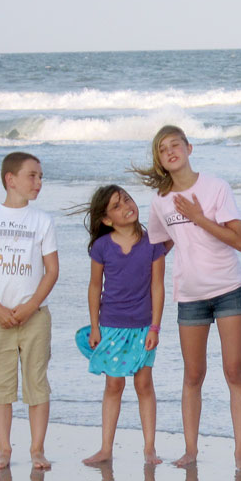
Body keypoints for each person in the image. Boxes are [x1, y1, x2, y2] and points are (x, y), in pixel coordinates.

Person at [135, 126, 241, 471]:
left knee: (234, 372)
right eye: (162, 149)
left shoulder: (216, 187)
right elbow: (161, 246)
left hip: (228, 289)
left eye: (175, 145)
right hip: (189, 295)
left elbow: (239, 240)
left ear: (189, 148)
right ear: (159, 159)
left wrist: (198, 218)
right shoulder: (160, 200)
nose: (170, 151)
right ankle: (190, 451)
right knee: (193, 375)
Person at [0, 152, 59, 471]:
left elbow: (51, 270)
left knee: (37, 382)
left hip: (35, 316)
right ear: (11, 179)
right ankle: (3, 449)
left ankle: (37, 449)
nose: (39, 182)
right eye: (32, 176)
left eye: (41, 176)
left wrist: (31, 306)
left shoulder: (42, 221)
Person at [73, 185, 167, 466]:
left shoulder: (152, 243)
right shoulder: (101, 247)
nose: (126, 205)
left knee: (144, 384)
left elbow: (158, 287)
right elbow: (94, 287)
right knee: (114, 385)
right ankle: (105, 449)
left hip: (143, 327)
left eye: (127, 199)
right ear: (106, 219)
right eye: (116, 205)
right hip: (111, 325)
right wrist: (95, 326)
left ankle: (149, 448)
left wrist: (155, 327)